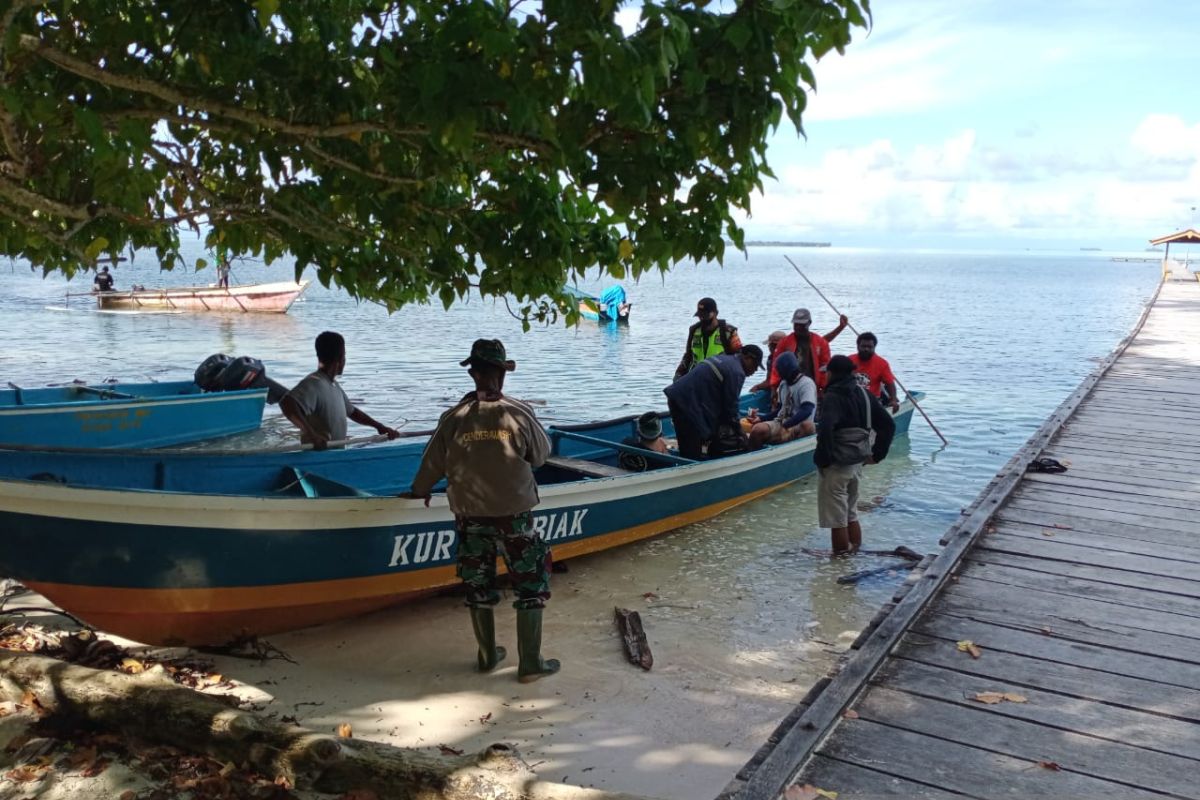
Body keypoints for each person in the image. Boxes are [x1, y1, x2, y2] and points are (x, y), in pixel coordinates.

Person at [407, 339, 559, 683]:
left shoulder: (453, 417)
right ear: (503, 374)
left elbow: (430, 465)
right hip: (515, 516)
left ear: (473, 373)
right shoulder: (519, 413)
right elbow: (541, 456)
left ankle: (488, 655)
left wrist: (418, 493)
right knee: (530, 584)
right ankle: (530, 663)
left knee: (478, 582)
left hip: (470, 515)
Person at [814, 355, 896, 555]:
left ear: (832, 374)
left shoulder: (833, 396)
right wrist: (877, 455)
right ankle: (856, 550)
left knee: (836, 517)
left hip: (837, 463)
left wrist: (823, 460)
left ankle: (840, 556)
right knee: (850, 510)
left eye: (828, 373)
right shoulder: (865, 394)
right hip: (858, 460)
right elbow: (888, 425)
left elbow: (826, 429)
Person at [280, 331, 400, 449]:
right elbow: (287, 403)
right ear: (340, 358)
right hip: (318, 459)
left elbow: (353, 412)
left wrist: (380, 427)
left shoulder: (333, 385)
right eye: (345, 355)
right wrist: (311, 434)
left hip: (335, 456)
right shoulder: (314, 383)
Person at [663, 345, 763, 459]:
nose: (755, 370)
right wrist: (742, 435)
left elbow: (723, 403)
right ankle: (692, 471)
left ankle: (688, 461)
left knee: (688, 442)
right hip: (687, 404)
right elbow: (730, 408)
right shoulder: (737, 372)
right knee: (691, 452)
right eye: (755, 366)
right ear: (748, 358)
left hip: (676, 396)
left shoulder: (725, 359)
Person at [767, 308, 849, 394]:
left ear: (809, 323)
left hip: (812, 388)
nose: (798, 327)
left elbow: (824, 368)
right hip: (788, 388)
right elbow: (776, 367)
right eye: (796, 324)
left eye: (802, 324)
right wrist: (773, 388)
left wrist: (823, 389)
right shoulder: (784, 342)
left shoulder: (821, 343)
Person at [747, 351, 817, 449]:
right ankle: (754, 458)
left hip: (799, 425)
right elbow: (780, 409)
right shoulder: (783, 384)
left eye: (780, 371)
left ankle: (795, 452)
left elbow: (807, 410)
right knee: (757, 430)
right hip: (782, 422)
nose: (779, 374)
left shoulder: (806, 384)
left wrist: (787, 425)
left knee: (808, 425)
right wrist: (761, 419)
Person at [674, 297, 742, 379]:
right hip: (696, 378)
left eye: (705, 315)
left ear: (716, 313)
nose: (702, 318)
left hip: (719, 379)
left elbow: (738, 358)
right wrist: (679, 373)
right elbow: (688, 356)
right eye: (700, 315)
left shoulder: (728, 332)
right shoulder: (694, 330)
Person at [850, 332, 899, 413]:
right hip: (851, 400)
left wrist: (893, 400)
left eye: (869, 347)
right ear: (858, 346)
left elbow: (890, 383)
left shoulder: (882, 363)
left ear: (874, 347)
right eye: (863, 346)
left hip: (872, 401)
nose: (866, 349)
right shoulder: (849, 360)